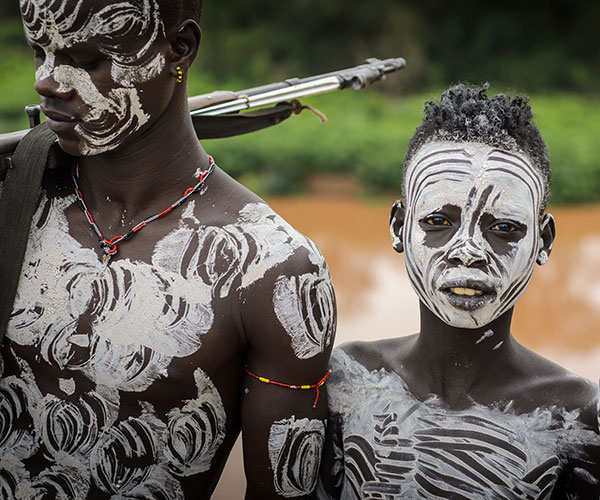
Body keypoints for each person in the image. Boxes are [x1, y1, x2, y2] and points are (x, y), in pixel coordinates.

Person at [0, 0, 336, 498]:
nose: (46, 81)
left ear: (180, 48)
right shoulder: (15, 201)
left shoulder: (274, 271)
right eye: (39, 52)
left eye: (87, 59)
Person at [316, 84, 600, 499]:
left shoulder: (577, 415)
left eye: (504, 228)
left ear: (543, 240)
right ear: (399, 226)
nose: (467, 252)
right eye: (437, 221)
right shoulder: (345, 378)